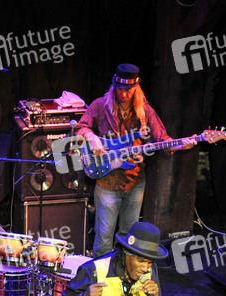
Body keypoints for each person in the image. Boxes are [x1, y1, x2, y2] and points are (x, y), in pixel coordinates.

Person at [76, 63, 195, 257]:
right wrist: (92, 137)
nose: (124, 94)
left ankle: (124, 273)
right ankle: (99, 273)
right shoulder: (100, 105)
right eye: (121, 89)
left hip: (134, 183)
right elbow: (81, 127)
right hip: (106, 182)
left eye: (129, 90)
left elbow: (163, 140)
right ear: (114, 87)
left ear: (136, 88)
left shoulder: (145, 111)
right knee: (104, 236)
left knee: (129, 237)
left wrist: (181, 145)